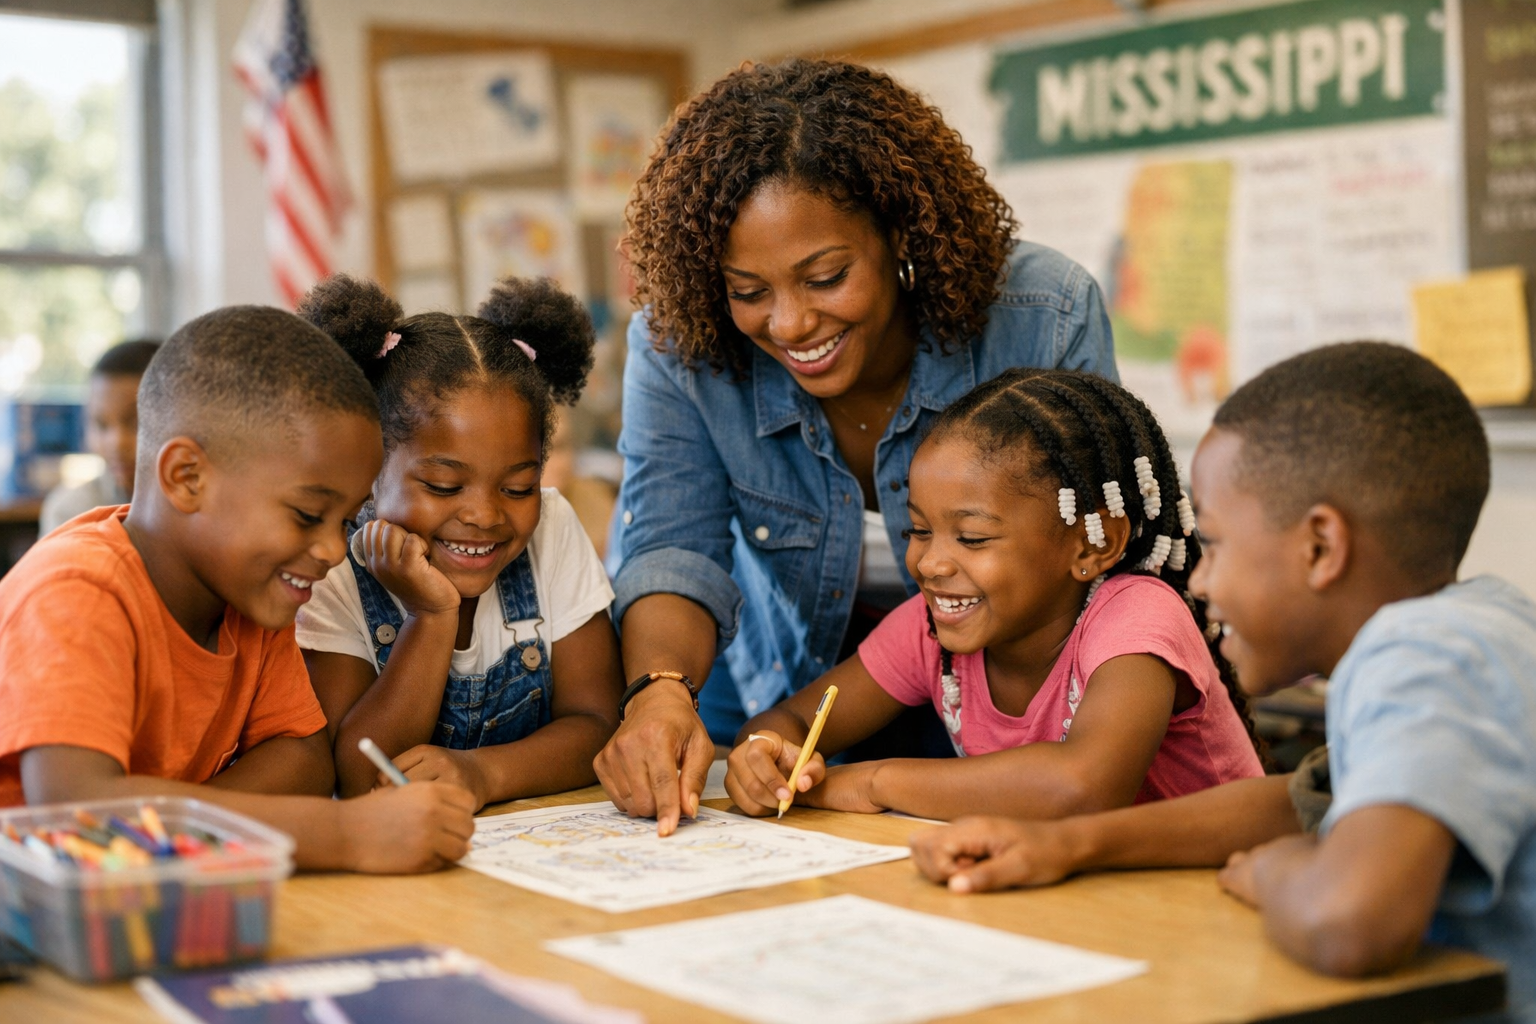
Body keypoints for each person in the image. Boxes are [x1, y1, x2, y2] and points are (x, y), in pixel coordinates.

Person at [908, 343, 1536, 1024]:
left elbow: (1346, 923)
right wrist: (1064, 845)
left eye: (1215, 543)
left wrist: (1274, 872)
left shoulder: (1425, 655)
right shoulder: (1469, 636)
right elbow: (1293, 804)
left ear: (1320, 547)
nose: (1200, 581)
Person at [597, 57, 1118, 835]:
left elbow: (1099, 562)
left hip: (1005, 712)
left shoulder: (1042, 316)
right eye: (749, 291)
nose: (791, 324)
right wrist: (661, 690)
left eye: (826, 276)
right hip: (783, 698)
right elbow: (673, 543)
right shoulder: (683, 347)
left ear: (899, 234)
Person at [0, 306, 475, 874]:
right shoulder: (75, 592)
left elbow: (303, 762)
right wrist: (343, 834)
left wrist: (177, 816)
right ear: (186, 477)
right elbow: (78, 809)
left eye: (344, 521)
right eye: (306, 514)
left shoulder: (251, 595)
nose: (330, 550)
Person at [726, 369, 1264, 820]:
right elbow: (792, 720)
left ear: (1092, 544)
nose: (930, 562)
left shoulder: (1137, 619)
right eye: (918, 530)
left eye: (973, 538)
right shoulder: (929, 627)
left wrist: (873, 783)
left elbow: (1082, 787)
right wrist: (764, 754)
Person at [297, 275, 624, 811]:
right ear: (369, 470)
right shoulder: (331, 566)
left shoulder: (554, 529)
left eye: (518, 487)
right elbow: (358, 775)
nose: (484, 515)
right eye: (443, 486)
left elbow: (597, 722)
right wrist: (430, 617)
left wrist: (482, 774)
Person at [40, 339, 160, 534]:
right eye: (101, 425)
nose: (117, 442)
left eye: (136, 422)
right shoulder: (71, 512)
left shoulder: (198, 509)